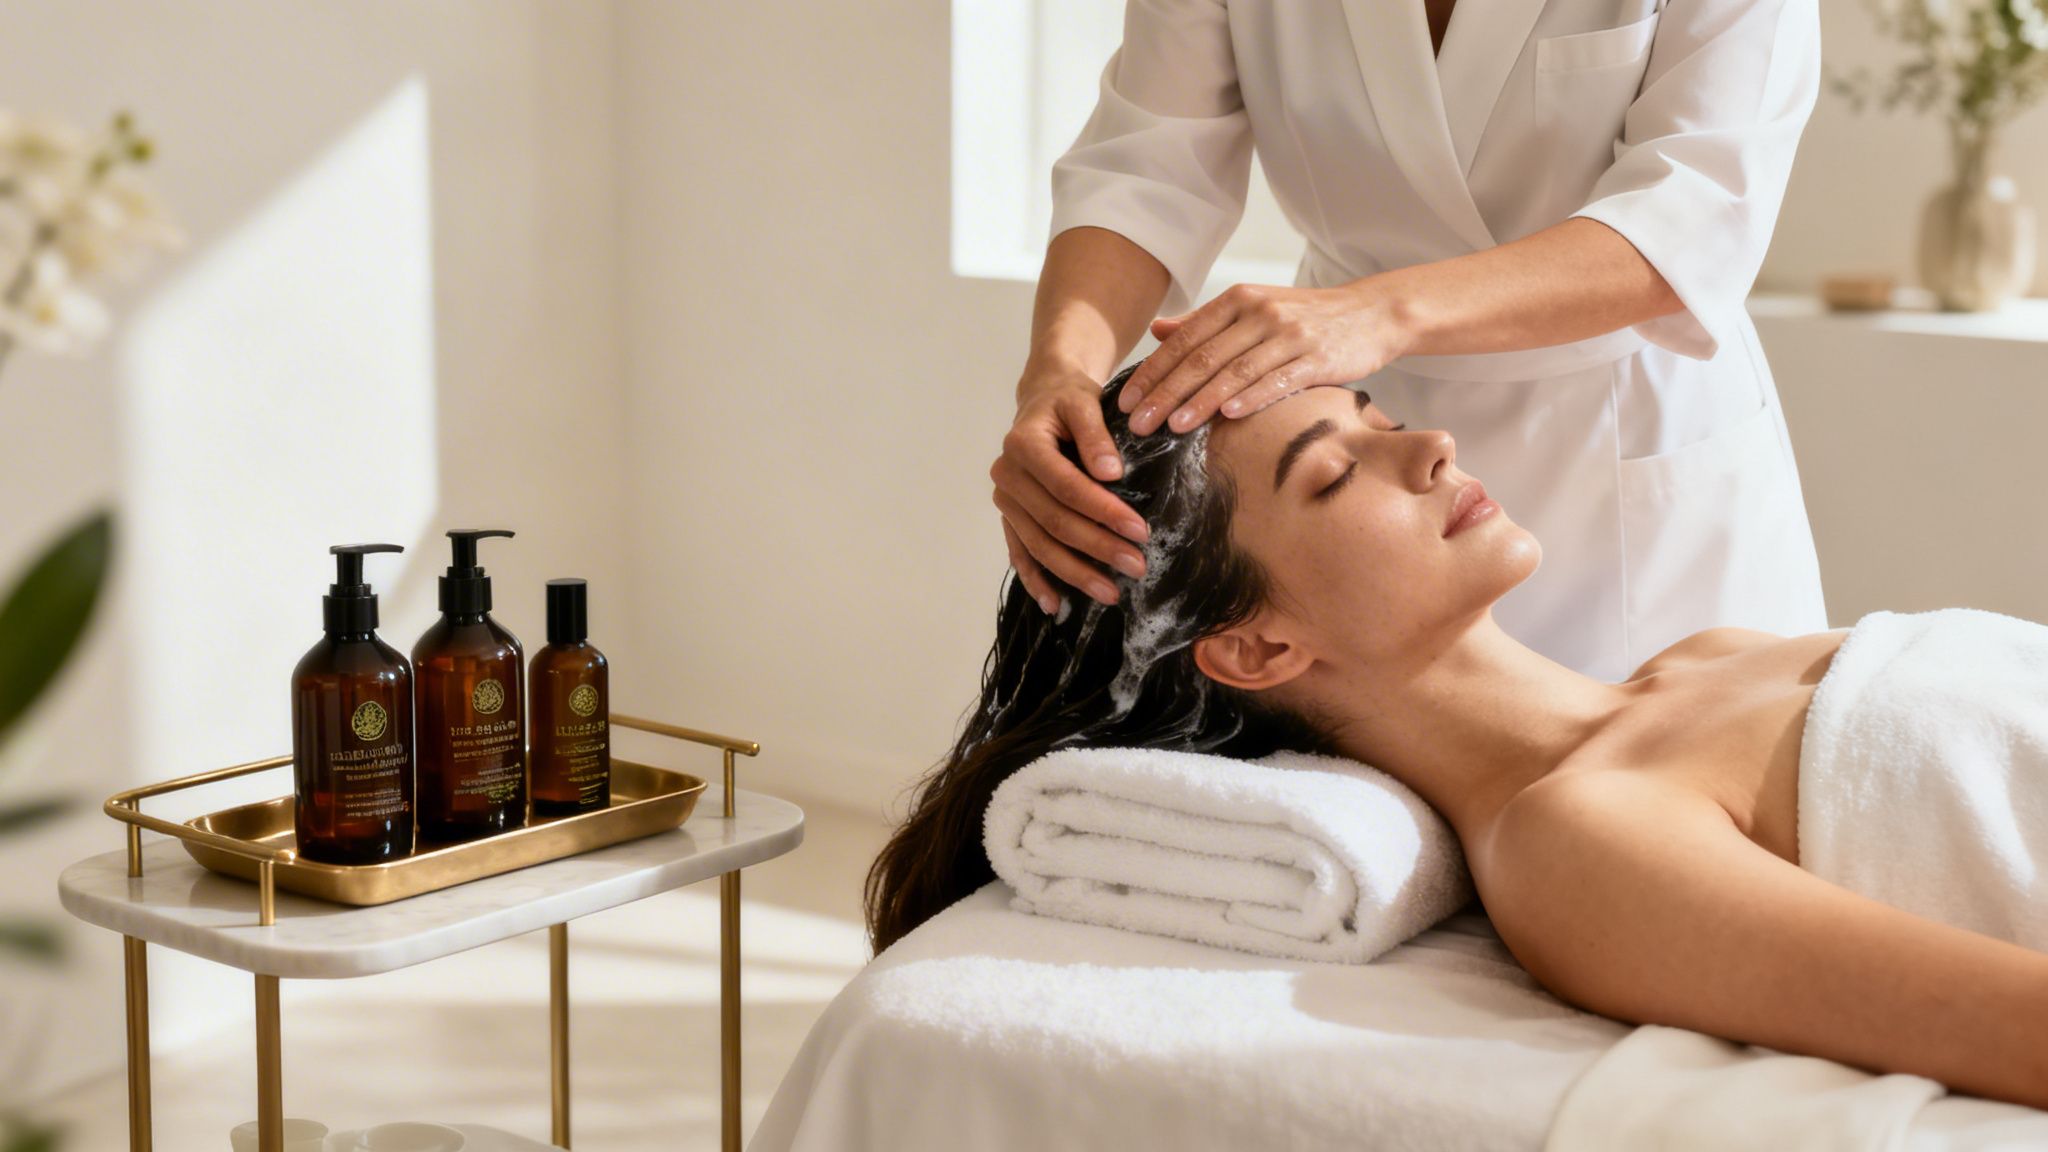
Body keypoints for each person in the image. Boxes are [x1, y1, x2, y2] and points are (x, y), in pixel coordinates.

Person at [877, 369, 2048, 1112]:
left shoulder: (1711, 652)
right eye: (1335, 474)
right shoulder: (1576, 842)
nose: (1429, 444)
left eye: (1374, 414)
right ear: (1253, 649)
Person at [991, 0, 1830, 686]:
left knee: (1687, 791)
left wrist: (1379, 313)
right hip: (1359, 474)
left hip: (1627, 438)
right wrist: (1059, 372)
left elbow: (1698, 209)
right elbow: (1148, 164)